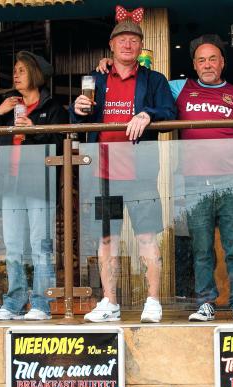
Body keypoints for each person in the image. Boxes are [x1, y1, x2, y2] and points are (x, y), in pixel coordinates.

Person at [72, 6, 175, 323]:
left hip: (140, 172)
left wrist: (149, 114)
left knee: (147, 237)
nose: (128, 45)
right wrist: (77, 109)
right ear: (112, 46)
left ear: (141, 46)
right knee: (107, 240)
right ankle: (110, 302)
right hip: (103, 174)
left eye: (134, 40)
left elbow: (170, 114)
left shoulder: (155, 80)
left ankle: (153, 301)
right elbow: (80, 120)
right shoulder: (98, 79)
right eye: (122, 40)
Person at [170, 34, 233, 322]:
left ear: (222, 63)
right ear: (194, 65)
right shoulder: (180, 88)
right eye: (201, 60)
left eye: (212, 59)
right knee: (202, 248)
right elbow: (147, 88)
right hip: (195, 181)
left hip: (231, 181)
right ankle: (206, 303)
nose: (207, 64)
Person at [0, 51, 69, 321]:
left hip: (39, 185)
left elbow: (61, 144)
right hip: (11, 185)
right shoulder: (10, 107)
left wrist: (35, 129)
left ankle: (41, 305)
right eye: (15, 70)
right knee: (12, 246)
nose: (15, 75)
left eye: (21, 70)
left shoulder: (53, 108)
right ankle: (13, 302)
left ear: (35, 74)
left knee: (40, 245)